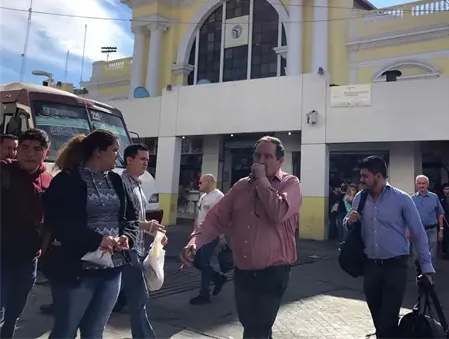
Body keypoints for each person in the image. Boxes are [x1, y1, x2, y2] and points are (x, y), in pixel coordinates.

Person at [180, 136, 301, 339]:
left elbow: (278, 212)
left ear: (280, 161)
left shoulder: (291, 184)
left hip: (273, 272)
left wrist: (262, 181)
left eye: (268, 156)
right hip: (243, 272)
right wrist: (195, 241)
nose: (260, 161)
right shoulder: (241, 187)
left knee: (258, 328)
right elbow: (216, 218)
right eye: (257, 155)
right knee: (250, 324)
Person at [43, 130, 139, 339]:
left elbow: (131, 218)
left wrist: (127, 237)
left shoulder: (116, 180)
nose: (118, 155)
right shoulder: (67, 181)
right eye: (114, 150)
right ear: (98, 152)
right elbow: (59, 223)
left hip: (112, 270)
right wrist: (98, 240)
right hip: (77, 272)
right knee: (65, 331)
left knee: (95, 331)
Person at [345, 156, 434, 339]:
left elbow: (418, 233)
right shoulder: (360, 198)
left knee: (388, 320)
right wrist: (349, 222)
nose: (361, 180)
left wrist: (427, 268)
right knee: (379, 319)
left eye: (365, 176)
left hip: (395, 267)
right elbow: (348, 223)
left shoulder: (402, 199)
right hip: (370, 267)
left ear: (378, 176)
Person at [0, 129, 52, 339]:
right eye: (25, 148)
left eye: (37, 149)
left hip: (28, 257)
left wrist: (42, 248)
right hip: (2, 253)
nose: (30, 153)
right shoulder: (3, 171)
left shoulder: (48, 181)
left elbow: (50, 220)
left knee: (16, 306)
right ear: (17, 150)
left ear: (46, 153)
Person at [113, 143, 167, 338]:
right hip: (126, 248)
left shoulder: (137, 184)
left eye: (147, 160)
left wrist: (153, 230)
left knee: (130, 297)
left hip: (137, 246)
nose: (146, 163)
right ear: (129, 159)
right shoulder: (121, 183)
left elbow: (138, 218)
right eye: (142, 159)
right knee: (139, 297)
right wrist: (145, 226)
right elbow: (118, 217)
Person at [189, 174, 227, 305]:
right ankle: (218, 278)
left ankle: (204, 294)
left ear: (210, 182)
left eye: (201, 183)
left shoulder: (219, 197)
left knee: (204, 262)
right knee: (196, 261)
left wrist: (221, 236)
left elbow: (222, 218)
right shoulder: (203, 197)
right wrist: (194, 233)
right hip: (200, 235)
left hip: (211, 235)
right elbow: (199, 216)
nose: (198, 185)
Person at [411, 175, 444, 268]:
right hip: (417, 231)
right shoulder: (412, 198)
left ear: (427, 184)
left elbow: (440, 214)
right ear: (416, 184)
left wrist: (441, 230)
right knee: (417, 255)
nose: (421, 186)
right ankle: (419, 273)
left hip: (432, 230)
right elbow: (409, 216)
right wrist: (408, 231)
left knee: (432, 255)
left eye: (423, 183)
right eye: (419, 183)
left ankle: (429, 274)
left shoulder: (434, 197)